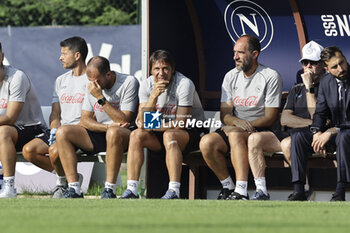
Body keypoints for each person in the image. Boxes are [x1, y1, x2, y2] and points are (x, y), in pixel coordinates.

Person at [199, 34, 282, 200]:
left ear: (255, 54)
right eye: (234, 52)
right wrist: (236, 123)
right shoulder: (230, 76)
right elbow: (225, 114)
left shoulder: (270, 76)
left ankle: (241, 190)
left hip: (260, 129)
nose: (235, 57)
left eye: (240, 53)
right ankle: (228, 186)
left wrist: (242, 126)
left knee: (236, 135)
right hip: (236, 127)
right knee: (206, 142)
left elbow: (270, 117)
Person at [121, 49, 207, 199]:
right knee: (136, 135)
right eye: (156, 69)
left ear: (172, 70)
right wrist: (153, 96)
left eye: (165, 68)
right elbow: (142, 120)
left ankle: (174, 190)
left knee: (170, 135)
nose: (161, 73)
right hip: (162, 132)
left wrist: (150, 125)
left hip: (192, 132)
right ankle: (132, 190)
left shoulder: (184, 84)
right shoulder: (147, 85)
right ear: (150, 70)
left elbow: (181, 123)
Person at [247, 41, 325, 200]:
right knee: (254, 138)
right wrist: (310, 122)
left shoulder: (327, 86)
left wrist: (310, 88)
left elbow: (316, 117)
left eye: (313, 63)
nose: (308, 66)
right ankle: (261, 190)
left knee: (288, 143)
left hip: (311, 137)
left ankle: (304, 189)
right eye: (305, 62)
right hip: (291, 133)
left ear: (323, 64)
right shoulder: (297, 88)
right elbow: (285, 119)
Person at [56, 56, 139, 198]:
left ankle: (109, 189)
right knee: (63, 131)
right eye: (91, 81)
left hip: (123, 135)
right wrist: (106, 127)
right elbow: (84, 120)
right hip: (102, 131)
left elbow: (124, 119)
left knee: (114, 132)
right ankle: (74, 188)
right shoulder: (92, 85)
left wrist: (100, 98)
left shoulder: (128, 82)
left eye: (97, 80)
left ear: (108, 74)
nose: (94, 85)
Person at [21, 36, 88, 198]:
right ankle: (69, 177)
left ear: (77, 56)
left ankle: (61, 184)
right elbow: (55, 113)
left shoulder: (91, 80)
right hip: (60, 132)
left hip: (80, 132)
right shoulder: (60, 81)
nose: (60, 57)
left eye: (64, 54)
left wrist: (62, 134)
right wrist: (54, 130)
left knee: (54, 150)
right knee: (29, 151)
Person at [288, 46, 349, 201]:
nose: (341, 68)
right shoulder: (326, 82)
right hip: (335, 132)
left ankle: (340, 192)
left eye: (342, 62)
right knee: (299, 136)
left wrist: (329, 132)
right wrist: (316, 133)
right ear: (327, 69)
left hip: (344, 132)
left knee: (343, 137)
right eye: (335, 67)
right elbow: (320, 113)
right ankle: (299, 191)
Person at [0, 42, 49, 198]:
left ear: (1, 57)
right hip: (9, 133)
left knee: (3, 131)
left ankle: (9, 187)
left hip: (32, 129)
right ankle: (68, 176)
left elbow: (10, 118)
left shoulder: (16, 77)